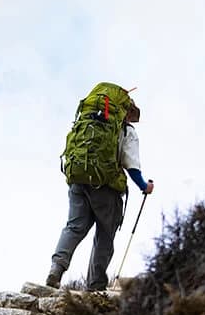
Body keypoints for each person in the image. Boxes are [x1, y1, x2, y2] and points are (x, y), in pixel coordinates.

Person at [47, 101, 154, 290]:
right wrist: (144, 186)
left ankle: (56, 269)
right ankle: (95, 285)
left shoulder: (90, 122)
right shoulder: (126, 131)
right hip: (105, 188)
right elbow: (132, 165)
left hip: (78, 179)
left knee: (74, 227)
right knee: (104, 235)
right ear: (128, 113)